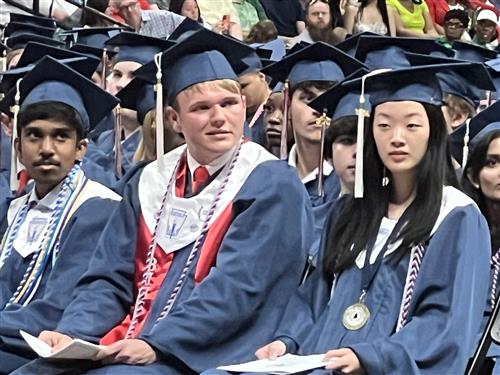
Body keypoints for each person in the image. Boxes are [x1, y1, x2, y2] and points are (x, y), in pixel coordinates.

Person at [13, 28, 314, 375]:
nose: (219, 117)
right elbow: (108, 278)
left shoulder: (271, 183)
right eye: (201, 108)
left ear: (244, 106)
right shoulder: (149, 181)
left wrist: (157, 344)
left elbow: (238, 289)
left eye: (229, 104)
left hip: (205, 353)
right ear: (174, 118)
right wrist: (72, 333)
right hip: (127, 342)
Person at [251, 64, 492, 374]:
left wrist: (371, 357)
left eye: (412, 126)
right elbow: (314, 296)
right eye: (384, 125)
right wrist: (286, 342)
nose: (396, 138)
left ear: (433, 132)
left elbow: (445, 323)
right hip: (318, 363)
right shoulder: (351, 210)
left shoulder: (456, 217)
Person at [0, 56, 122, 374]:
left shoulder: (98, 208)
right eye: (34, 135)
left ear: (81, 148)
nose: (46, 148)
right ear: (18, 148)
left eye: (60, 136)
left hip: (43, 350)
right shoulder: (12, 210)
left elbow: (57, 308)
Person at [262, 42, 365, 266]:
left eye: (330, 97)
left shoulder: (355, 183)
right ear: (288, 104)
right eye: (307, 98)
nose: (319, 108)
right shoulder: (265, 176)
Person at [107, 0, 185, 38]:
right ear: (117, 10)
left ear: (138, 3)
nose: (130, 10)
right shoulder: (115, 32)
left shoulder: (164, 17)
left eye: (132, 5)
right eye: (124, 8)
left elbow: (193, 29)